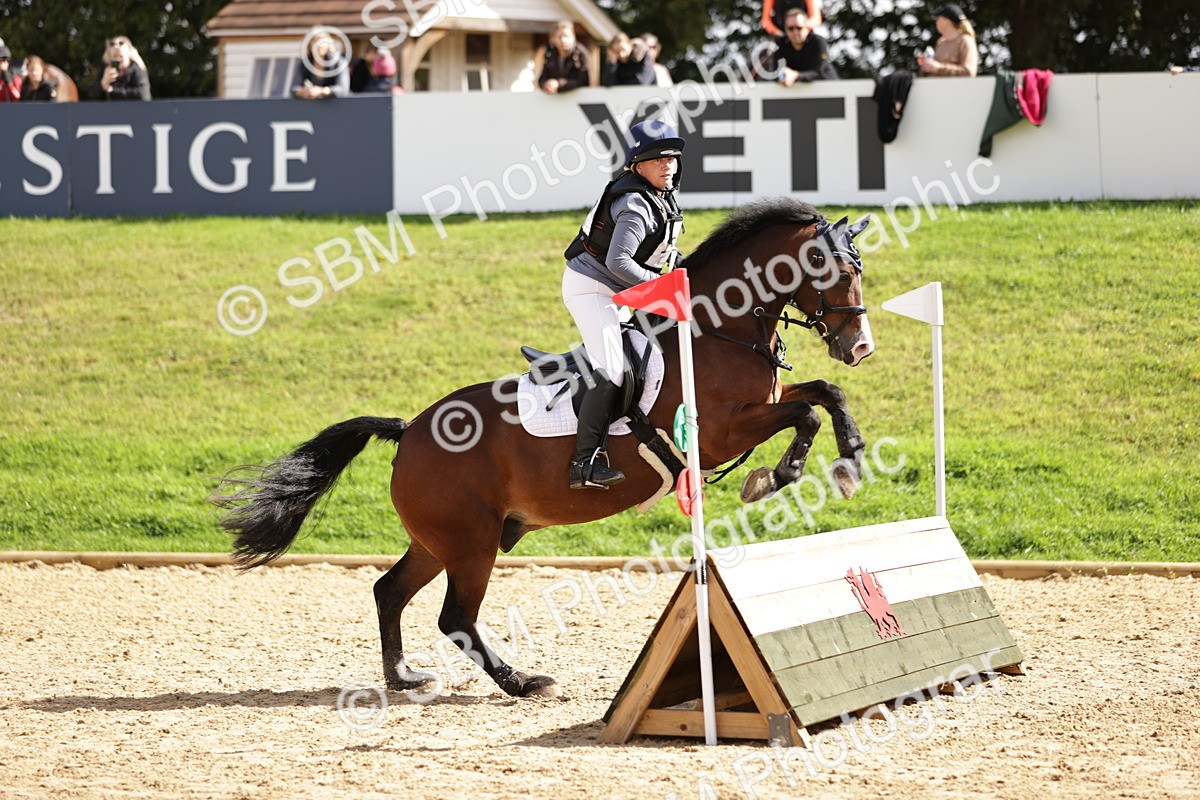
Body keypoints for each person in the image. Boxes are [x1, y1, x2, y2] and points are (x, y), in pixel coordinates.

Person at [561, 120, 685, 489]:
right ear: (636, 165)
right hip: (593, 289)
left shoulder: (661, 195)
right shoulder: (635, 203)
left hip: (621, 291)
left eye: (672, 158)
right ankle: (584, 463)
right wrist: (663, 288)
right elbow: (619, 263)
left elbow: (662, 253)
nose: (668, 165)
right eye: (657, 159)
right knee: (614, 369)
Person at [759, 8, 838, 85]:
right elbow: (775, 72)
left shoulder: (818, 42)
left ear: (807, 27)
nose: (795, 32)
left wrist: (796, 75)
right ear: (785, 29)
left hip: (825, 88)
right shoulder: (780, 43)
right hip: (791, 91)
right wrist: (782, 76)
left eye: (799, 28)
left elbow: (819, 71)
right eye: (791, 28)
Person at [917, 4, 979, 77]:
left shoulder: (966, 40)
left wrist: (939, 68)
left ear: (947, 21)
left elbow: (969, 72)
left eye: (938, 18)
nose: (936, 21)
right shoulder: (940, 42)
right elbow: (934, 69)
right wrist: (926, 65)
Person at [87, 36, 151, 100]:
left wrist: (113, 92)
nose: (116, 47)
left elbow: (143, 95)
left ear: (129, 52)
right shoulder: (105, 70)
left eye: (121, 43)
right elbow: (91, 95)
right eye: (112, 44)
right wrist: (103, 84)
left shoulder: (137, 68)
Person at [293, 30, 350, 99]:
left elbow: (343, 90)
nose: (318, 45)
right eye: (315, 41)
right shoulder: (304, 64)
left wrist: (322, 91)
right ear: (310, 45)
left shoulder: (338, 62)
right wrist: (304, 91)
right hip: (311, 104)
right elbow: (293, 89)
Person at [538, 21, 590, 94]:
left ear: (573, 37)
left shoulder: (581, 54)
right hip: (554, 98)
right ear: (553, 39)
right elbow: (542, 79)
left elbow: (582, 81)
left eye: (566, 36)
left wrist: (559, 84)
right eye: (559, 37)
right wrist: (547, 85)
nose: (563, 40)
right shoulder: (550, 54)